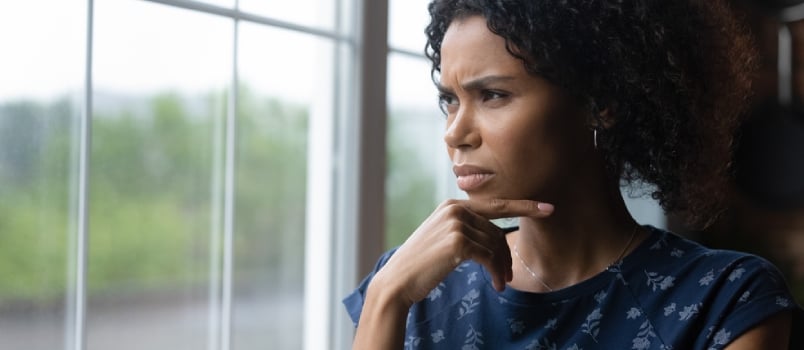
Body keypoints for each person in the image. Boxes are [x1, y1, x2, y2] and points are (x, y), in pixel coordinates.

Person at [344, 0, 800, 348]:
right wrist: (386, 297)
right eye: (450, 100)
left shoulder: (727, 301)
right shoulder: (412, 285)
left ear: (600, 102)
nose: (455, 132)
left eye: (494, 95)